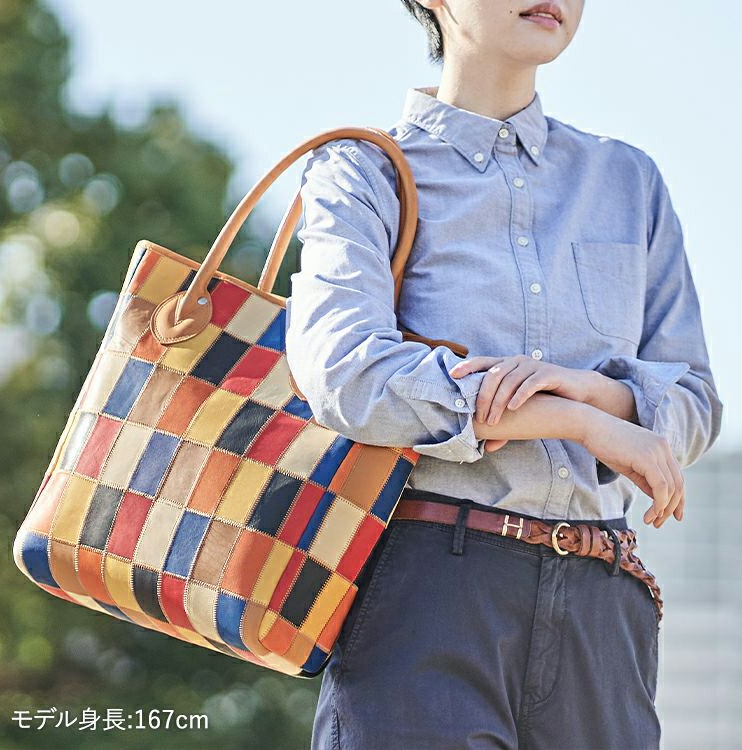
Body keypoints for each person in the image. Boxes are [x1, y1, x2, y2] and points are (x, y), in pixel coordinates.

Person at [285, 1, 724, 748]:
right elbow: (346, 375)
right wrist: (576, 421)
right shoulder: (361, 172)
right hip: (429, 594)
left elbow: (695, 400)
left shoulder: (629, 181)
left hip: (604, 608)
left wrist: (598, 393)